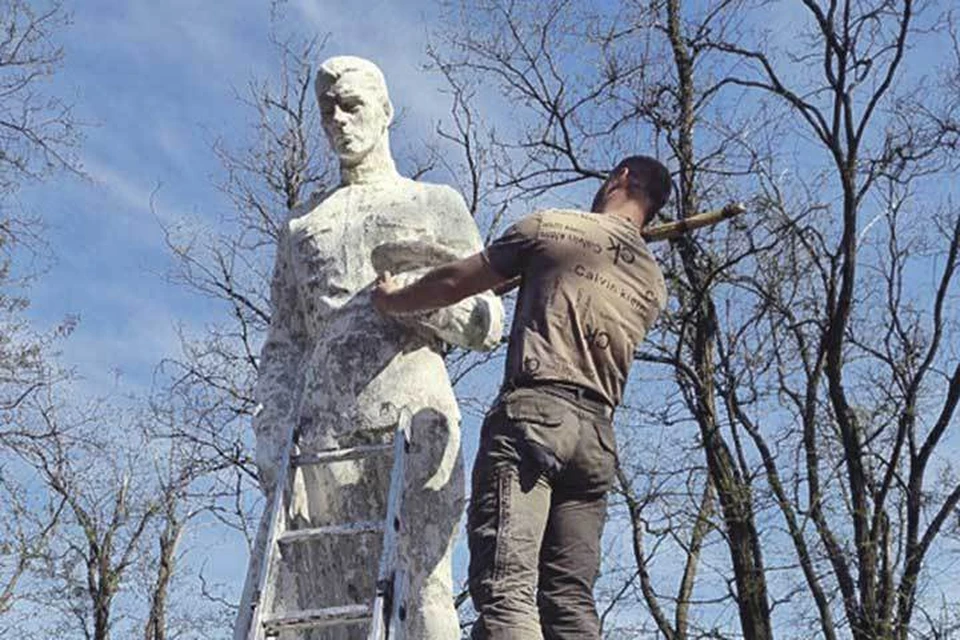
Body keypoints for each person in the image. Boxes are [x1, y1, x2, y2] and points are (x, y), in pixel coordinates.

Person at [238, 55, 502, 640]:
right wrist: (274, 435)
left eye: (352, 105)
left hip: (414, 416)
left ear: (386, 112)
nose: (338, 120)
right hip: (323, 431)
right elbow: (285, 344)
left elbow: (489, 320)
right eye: (327, 109)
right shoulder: (303, 225)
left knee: (422, 585)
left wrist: (423, 301)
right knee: (323, 601)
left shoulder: (434, 204)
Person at [372, 155, 670, 639]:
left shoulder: (552, 229)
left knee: (507, 590)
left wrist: (392, 298)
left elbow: (454, 282)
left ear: (620, 178)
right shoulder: (652, 283)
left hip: (535, 418)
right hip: (596, 441)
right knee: (570, 602)